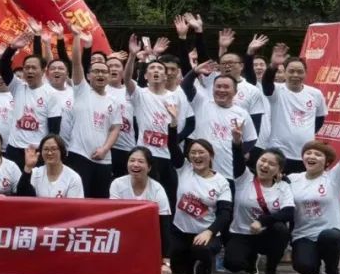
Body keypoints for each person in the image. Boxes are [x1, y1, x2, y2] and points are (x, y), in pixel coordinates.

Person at [288, 110, 340, 274]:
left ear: (327, 162)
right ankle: (313, 269)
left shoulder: (334, 178)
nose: (312, 156)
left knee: (329, 237)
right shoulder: (293, 179)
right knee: (304, 266)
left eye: (318, 155)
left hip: (333, 235)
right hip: (304, 236)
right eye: (308, 153)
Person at [165, 104, 234, 274]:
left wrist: (209, 232)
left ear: (210, 155)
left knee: (202, 249)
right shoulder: (184, 169)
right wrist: (173, 123)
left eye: (201, 152)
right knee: (176, 267)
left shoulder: (221, 182)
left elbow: (225, 214)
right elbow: (172, 146)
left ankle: (205, 269)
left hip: (205, 232)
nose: (197, 156)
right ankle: (188, 265)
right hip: (180, 231)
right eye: (193, 153)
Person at [124, 34, 193, 208]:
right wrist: (132, 56)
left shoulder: (176, 97)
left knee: (167, 201)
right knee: (145, 200)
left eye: (160, 69)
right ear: (146, 76)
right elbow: (126, 79)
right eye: (152, 69)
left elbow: (184, 125)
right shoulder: (140, 94)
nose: (156, 71)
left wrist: (174, 126)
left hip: (168, 155)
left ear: (165, 76)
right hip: (146, 155)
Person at [224, 146, 294, 274]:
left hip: (266, 235)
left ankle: (270, 272)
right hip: (241, 233)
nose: (265, 165)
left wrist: (262, 221)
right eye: (263, 160)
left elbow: (288, 212)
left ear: (279, 170)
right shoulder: (244, 178)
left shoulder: (283, 187)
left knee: (281, 229)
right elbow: (238, 158)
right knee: (233, 265)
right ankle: (251, 259)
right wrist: (237, 143)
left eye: (272, 164)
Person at [66, 29, 122, 198]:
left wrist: (105, 149)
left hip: (104, 158)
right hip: (79, 155)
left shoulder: (114, 101)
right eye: (96, 71)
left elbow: (115, 128)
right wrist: (77, 37)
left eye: (104, 72)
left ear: (108, 76)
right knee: (79, 199)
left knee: (100, 201)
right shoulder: (82, 90)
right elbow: (77, 63)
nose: (100, 74)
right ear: (89, 76)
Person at [181, 61, 257, 180]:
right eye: (218, 86)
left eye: (226, 87)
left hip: (227, 173)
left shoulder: (242, 114)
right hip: (200, 171)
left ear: (235, 91)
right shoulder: (202, 103)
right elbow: (185, 87)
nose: (221, 90)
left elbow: (251, 139)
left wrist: (236, 153)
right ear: (213, 89)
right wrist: (194, 72)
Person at [0, 33, 60, 170]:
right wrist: (12, 48)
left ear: (43, 71)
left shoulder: (51, 94)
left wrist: (47, 151)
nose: (29, 71)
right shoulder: (17, 86)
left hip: (36, 151)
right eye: (26, 68)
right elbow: (3, 66)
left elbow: (54, 129)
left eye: (34, 68)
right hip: (14, 148)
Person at [261, 45, 328, 174]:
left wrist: (304, 133)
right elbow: (267, 84)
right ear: (285, 73)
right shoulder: (277, 90)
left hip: (305, 154)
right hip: (279, 153)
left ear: (305, 73)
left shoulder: (315, 94)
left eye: (300, 71)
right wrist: (273, 66)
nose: (295, 75)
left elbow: (319, 119)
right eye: (291, 71)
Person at [109, 146, 172, 274]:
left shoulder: (157, 189)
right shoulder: (117, 184)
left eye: (140, 161)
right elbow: (114, 218)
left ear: (149, 167)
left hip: (147, 238)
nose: (135, 164)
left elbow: (164, 225)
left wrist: (165, 262)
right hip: (123, 236)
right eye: (132, 160)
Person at [21, 134, 84, 198]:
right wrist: (28, 167)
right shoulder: (35, 174)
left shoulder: (73, 178)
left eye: (53, 149)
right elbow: (22, 196)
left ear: (61, 151)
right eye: (46, 149)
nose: (49, 153)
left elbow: (74, 204)